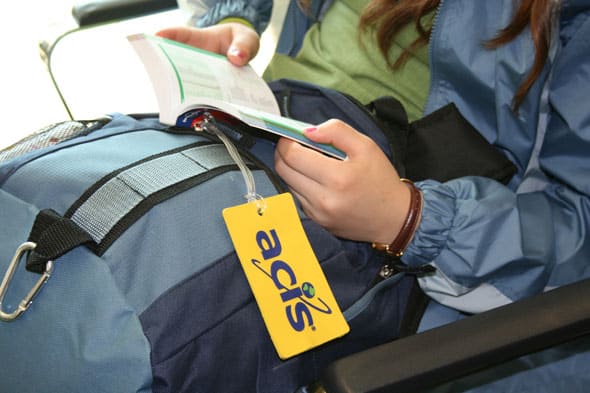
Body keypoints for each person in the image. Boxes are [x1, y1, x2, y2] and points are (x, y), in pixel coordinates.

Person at [158, 0, 590, 391]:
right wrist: (235, 20)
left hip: (397, 239)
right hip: (251, 129)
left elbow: (578, 237)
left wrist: (410, 218)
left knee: (161, 323)